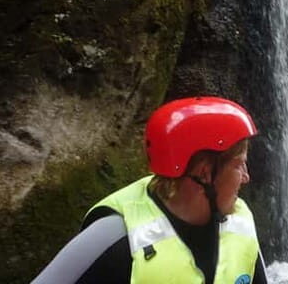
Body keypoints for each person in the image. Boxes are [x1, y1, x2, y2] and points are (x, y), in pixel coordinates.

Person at [32, 96, 269, 283]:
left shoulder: (240, 222)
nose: (247, 177)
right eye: (239, 164)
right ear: (205, 173)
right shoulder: (115, 236)